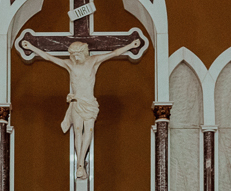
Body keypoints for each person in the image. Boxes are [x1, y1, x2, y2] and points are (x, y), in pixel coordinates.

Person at [19, 38, 142, 180]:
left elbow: (114, 53)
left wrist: (130, 45)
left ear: (84, 53)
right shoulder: (70, 64)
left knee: (88, 131)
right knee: (78, 131)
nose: (76, 58)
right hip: (77, 102)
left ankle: (81, 163)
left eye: (78, 55)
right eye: (73, 55)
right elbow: (49, 58)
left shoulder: (93, 61)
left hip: (89, 103)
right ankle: (80, 165)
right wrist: (32, 47)